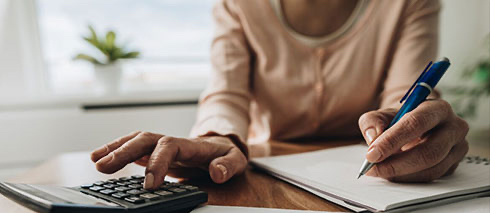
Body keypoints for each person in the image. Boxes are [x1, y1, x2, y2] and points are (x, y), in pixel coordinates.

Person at [91, 0, 469, 190]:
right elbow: (226, 94)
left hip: (370, 177)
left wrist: (413, 127)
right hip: (266, 172)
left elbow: (404, 97)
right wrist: (217, 137)